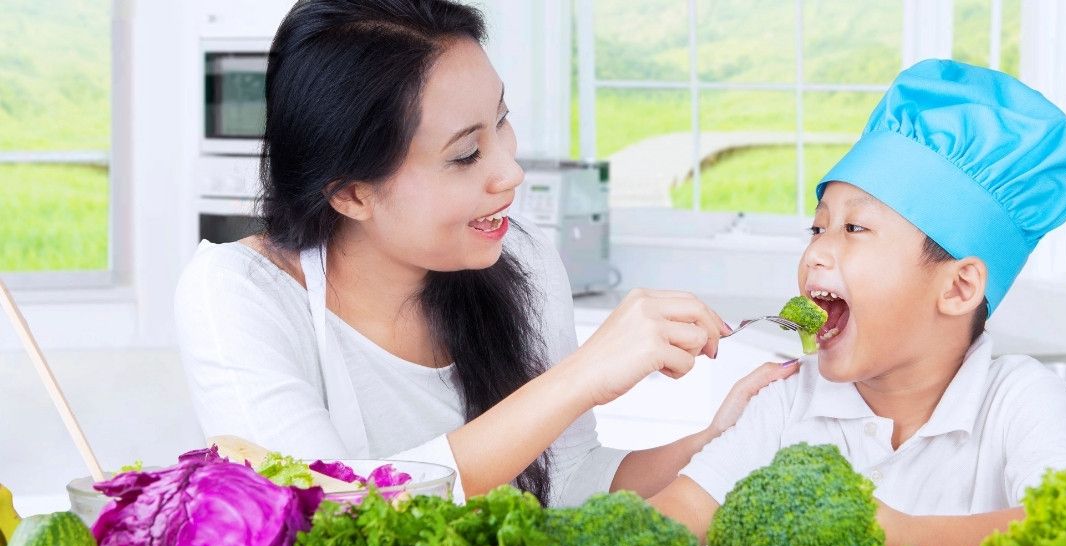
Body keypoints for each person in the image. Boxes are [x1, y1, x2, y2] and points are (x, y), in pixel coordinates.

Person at [174, 0, 798, 507]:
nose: (511, 171)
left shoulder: (520, 260)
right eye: (466, 154)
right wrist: (578, 380)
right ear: (352, 192)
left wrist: (715, 441)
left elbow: (563, 482)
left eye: (501, 121)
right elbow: (336, 514)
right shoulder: (235, 295)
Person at [649, 59, 1066, 546]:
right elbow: (683, 507)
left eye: (855, 229)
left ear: (958, 287)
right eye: (818, 229)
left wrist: (885, 528)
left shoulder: (1018, 398)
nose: (815, 253)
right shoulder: (786, 399)